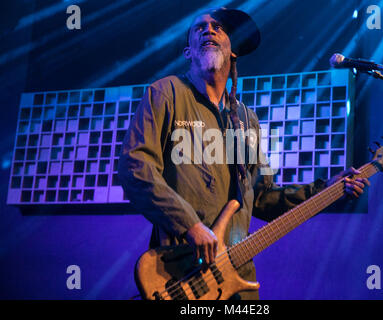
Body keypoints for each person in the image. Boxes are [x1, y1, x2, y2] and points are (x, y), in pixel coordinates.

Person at [118, 7, 369, 300]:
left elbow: (261, 196)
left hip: (236, 280)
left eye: (218, 27)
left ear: (233, 51)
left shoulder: (246, 120)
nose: (208, 30)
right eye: (200, 27)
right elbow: (136, 167)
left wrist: (326, 189)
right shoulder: (166, 93)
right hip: (182, 275)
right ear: (188, 52)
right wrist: (190, 225)